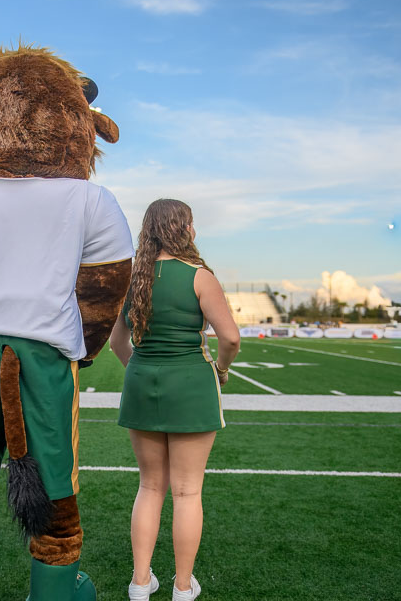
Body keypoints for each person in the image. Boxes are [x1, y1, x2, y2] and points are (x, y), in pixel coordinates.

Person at [109, 199, 240, 601]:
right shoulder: (200, 276)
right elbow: (231, 338)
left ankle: (140, 582)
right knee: (186, 492)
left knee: (150, 487)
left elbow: (116, 343)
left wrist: (141, 368)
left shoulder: (133, 279)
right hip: (191, 386)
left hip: (141, 384)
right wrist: (221, 369)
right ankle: (182, 587)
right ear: (184, 229)